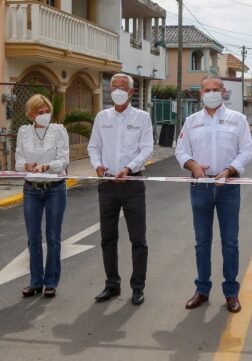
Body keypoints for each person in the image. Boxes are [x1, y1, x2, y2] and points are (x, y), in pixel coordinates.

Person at [175, 74, 252, 313]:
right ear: (200, 94)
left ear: (223, 92)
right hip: (201, 187)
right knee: (202, 242)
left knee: (230, 242)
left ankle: (231, 292)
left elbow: (247, 151)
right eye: (206, 89)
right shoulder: (191, 121)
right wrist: (194, 166)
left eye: (215, 89)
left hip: (228, 186)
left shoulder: (237, 120)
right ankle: (202, 290)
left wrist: (230, 169)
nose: (210, 93)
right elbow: (180, 150)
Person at [88, 73, 153, 306]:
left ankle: (138, 287)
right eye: (113, 87)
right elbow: (93, 146)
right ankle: (112, 284)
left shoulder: (142, 118)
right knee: (108, 237)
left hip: (133, 183)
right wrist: (97, 165)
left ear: (131, 92)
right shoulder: (102, 117)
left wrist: (129, 168)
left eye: (122, 87)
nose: (117, 90)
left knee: (138, 239)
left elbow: (146, 149)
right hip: (107, 185)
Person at [15, 94, 70, 298]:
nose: (45, 115)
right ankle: (35, 281)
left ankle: (51, 282)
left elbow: (63, 159)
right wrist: (27, 165)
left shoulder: (58, 131)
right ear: (31, 114)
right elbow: (18, 160)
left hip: (55, 187)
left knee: (53, 237)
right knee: (33, 238)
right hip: (31, 188)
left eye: (47, 112)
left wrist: (47, 166)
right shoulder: (24, 132)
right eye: (40, 112)